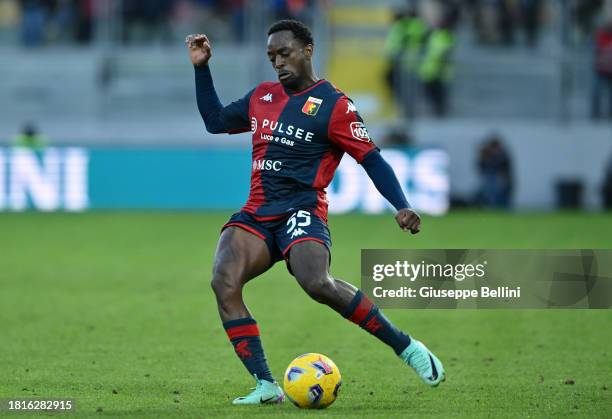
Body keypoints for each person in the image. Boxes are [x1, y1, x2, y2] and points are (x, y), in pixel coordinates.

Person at [186, 19, 445, 406]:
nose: (278, 62)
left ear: (307, 50)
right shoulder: (263, 97)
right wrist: (201, 67)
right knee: (224, 281)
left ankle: (407, 347)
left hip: (302, 209)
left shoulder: (335, 105)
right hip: (258, 212)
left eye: (285, 52)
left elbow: (370, 158)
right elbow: (215, 122)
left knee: (316, 283)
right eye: (271, 56)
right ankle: (266, 385)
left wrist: (402, 204)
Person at [592, 20, 612, 120]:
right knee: (597, 93)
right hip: (601, 71)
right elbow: (596, 52)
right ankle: (596, 114)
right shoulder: (601, 37)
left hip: (609, 71)